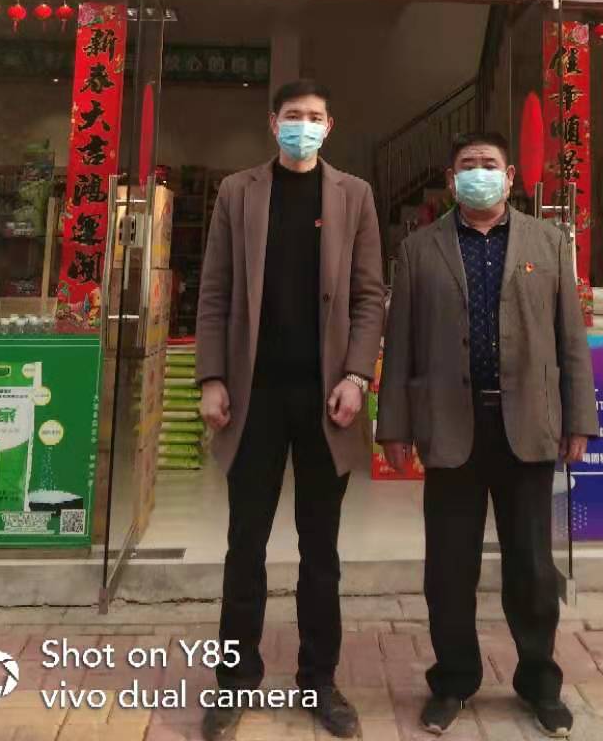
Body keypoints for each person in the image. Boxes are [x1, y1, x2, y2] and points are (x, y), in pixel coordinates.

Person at [376, 132, 598, 738]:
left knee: (533, 566)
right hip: (450, 427)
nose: (479, 173)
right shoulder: (419, 249)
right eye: (468, 165)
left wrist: (579, 418)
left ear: (510, 176)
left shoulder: (548, 243)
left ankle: (539, 682)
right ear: (451, 180)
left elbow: (571, 339)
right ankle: (453, 680)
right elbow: (401, 343)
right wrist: (393, 425)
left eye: (490, 164)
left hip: (527, 427)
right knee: (449, 568)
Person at [195, 80, 385, 741]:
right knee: (244, 545)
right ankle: (234, 679)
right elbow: (215, 291)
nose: (303, 125)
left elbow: (369, 296)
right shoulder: (237, 192)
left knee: (320, 550)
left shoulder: (354, 195)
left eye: (315, 117)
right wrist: (211, 377)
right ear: (272, 123)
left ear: (330, 126)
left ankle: (319, 679)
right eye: (292, 116)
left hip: (326, 400)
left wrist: (357, 375)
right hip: (253, 398)